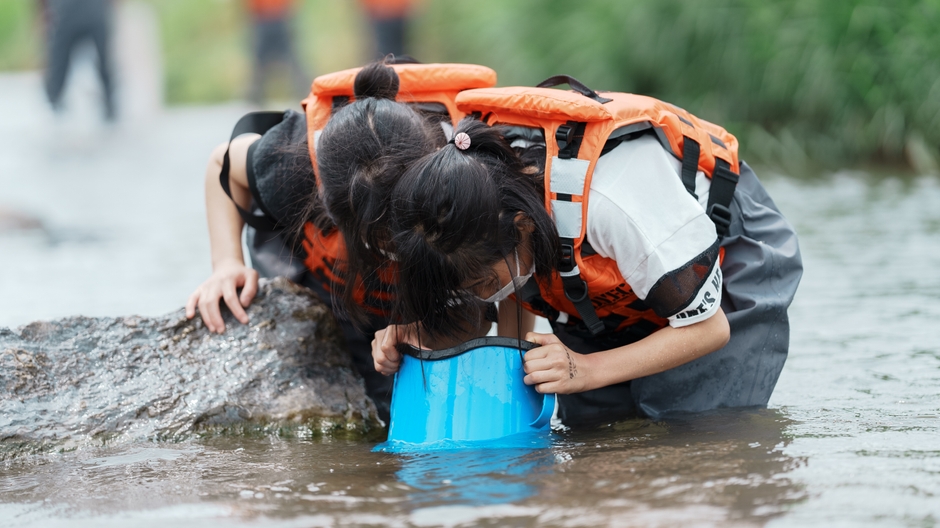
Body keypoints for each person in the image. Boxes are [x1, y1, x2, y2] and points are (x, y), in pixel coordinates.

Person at [369, 83, 803, 425]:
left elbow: (709, 329)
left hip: (720, 257)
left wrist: (586, 369)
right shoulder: (467, 205)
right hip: (611, 289)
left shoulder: (610, 200)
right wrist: (425, 336)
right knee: (597, 430)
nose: (483, 297)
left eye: (483, 283)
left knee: (690, 426)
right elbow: (509, 300)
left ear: (522, 227)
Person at [185, 60, 496, 421]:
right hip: (330, 283)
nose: (393, 248)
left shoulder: (461, 188)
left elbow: (492, 297)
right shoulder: (292, 166)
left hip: (420, 299)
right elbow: (221, 162)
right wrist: (226, 263)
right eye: (382, 238)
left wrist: (434, 331)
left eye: (403, 233)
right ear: (329, 207)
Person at [42, 0, 115, 120]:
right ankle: (53, 100)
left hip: (74, 13)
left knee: (59, 61)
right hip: (84, 13)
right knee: (60, 62)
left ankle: (53, 99)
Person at [246, 0, 308, 105]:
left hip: (280, 19)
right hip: (263, 21)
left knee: (292, 60)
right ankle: (254, 95)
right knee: (260, 61)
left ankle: (305, 90)